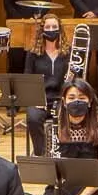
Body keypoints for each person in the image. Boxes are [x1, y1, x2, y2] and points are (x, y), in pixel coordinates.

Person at [24, 18, 70, 153]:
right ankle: (41, 153)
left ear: (60, 29)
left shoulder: (68, 53)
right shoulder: (33, 53)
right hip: (40, 99)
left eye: (54, 27)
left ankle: (64, 152)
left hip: (62, 99)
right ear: (42, 30)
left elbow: (75, 81)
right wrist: (36, 99)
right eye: (48, 27)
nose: (51, 30)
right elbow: (28, 79)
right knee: (33, 117)